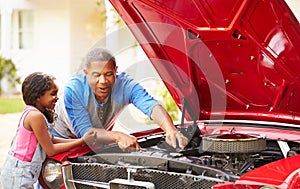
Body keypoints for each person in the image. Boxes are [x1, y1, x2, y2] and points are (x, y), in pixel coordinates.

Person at [53, 47, 188, 152]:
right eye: (96, 75)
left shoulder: (125, 84)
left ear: (116, 70)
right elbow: (87, 133)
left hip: (97, 138)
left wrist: (170, 130)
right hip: (61, 138)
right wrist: (118, 136)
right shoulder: (73, 89)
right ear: (86, 73)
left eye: (108, 74)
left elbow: (151, 106)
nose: (103, 81)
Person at [0, 72, 96, 189]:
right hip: (19, 174)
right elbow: (50, 149)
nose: (57, 97)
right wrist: (81, 142)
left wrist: (82, 141)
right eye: (52, 94)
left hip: (20, 172)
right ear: (38, 96)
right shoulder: (35, 116)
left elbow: (51, 139)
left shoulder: (35, 113)